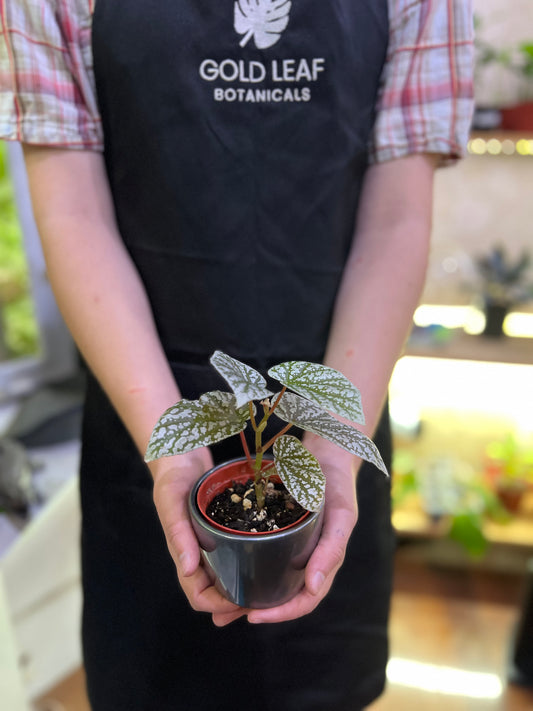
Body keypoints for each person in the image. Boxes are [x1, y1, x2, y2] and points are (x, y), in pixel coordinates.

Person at [0, 1, 474, 709]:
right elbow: (73, 211)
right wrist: (171, 454)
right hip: (152, 430)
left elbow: (397, 217)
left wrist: (334, 453)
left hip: (331, 420)